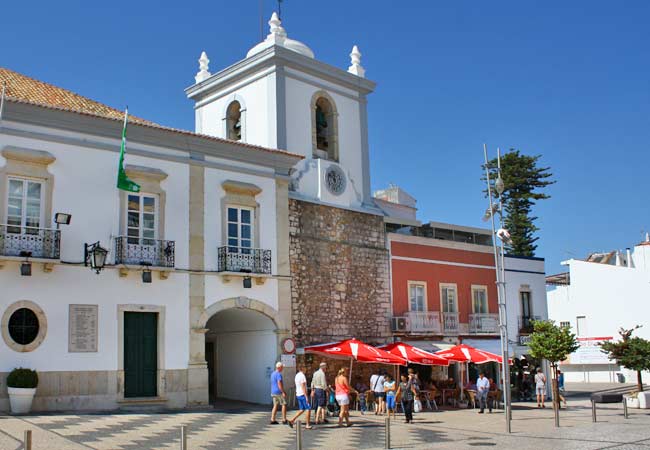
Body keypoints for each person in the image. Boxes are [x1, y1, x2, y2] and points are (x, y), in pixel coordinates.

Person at [288, 365, 312, 429]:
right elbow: (303, 386)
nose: (306, 370)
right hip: (302, 394)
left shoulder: (297, 375)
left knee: (302, 409)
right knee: (308, 409)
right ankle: (307, 424)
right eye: (305, 368)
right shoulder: (302, 376)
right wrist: (306, 396)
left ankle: (292, 420)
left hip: (298, 393)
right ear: (303, 369)